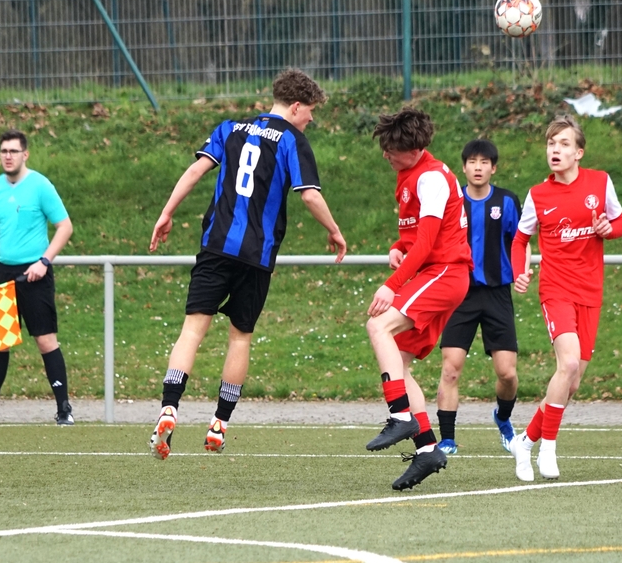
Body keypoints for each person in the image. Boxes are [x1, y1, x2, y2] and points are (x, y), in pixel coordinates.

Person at [147, 68, 346, 459]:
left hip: (216, 247)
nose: (311, 120)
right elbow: (309, 195)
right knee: (240, 337)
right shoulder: (293, 140)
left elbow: (195, 170)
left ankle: (169, 407)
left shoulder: (229, 129)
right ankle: (219, 423)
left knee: (192, 331)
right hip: (257, 255)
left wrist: (166, 213)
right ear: (296, 106)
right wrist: (335, 230)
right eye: (311, 111)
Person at [507, 115, 622, 481]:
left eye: (563, 144)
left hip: (590, 291)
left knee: (570, 382)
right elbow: (520, 240)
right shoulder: (538, 194)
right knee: (568, 363)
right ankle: (548, 448)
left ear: (579, 152)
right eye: (551, 144)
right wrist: (519, 272)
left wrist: (607, 228)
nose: (555, 150)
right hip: (556, 289)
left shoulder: (600, 182)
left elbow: (619, 223)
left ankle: (525, 441)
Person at [364, 107, 472, 490]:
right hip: (436, 273)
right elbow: (417, 237)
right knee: (400, 361)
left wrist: (391, 284)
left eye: (392, 149)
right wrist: (399, 246)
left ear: (414, 150)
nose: (386, 154)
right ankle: (427, 449)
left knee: (378, 325)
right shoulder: (412, 173)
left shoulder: (431, 179)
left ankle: (400, 415)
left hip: (445, 272)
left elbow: (427, 243)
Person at [0, 130, 75, 426]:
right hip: (3, 273)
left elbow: (65, 227)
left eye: (13, 151)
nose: (8, 156)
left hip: (35, 275)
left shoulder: (40, 185)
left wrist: (44, 261)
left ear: (25, 154)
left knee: (46, 341)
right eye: (3, 151)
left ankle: (64, 410)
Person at [435, 139, 521, 455]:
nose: (478, 167)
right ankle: (447, 440)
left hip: (498, 294)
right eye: (472, 162)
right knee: (451, 368)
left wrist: (522, 270)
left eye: (484, 162)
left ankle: (503, 418)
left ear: (493, 168)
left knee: (507, 373)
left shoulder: (507, 201)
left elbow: (520, 242)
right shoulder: (452, 201)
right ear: (464, 167)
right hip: (460, 293)